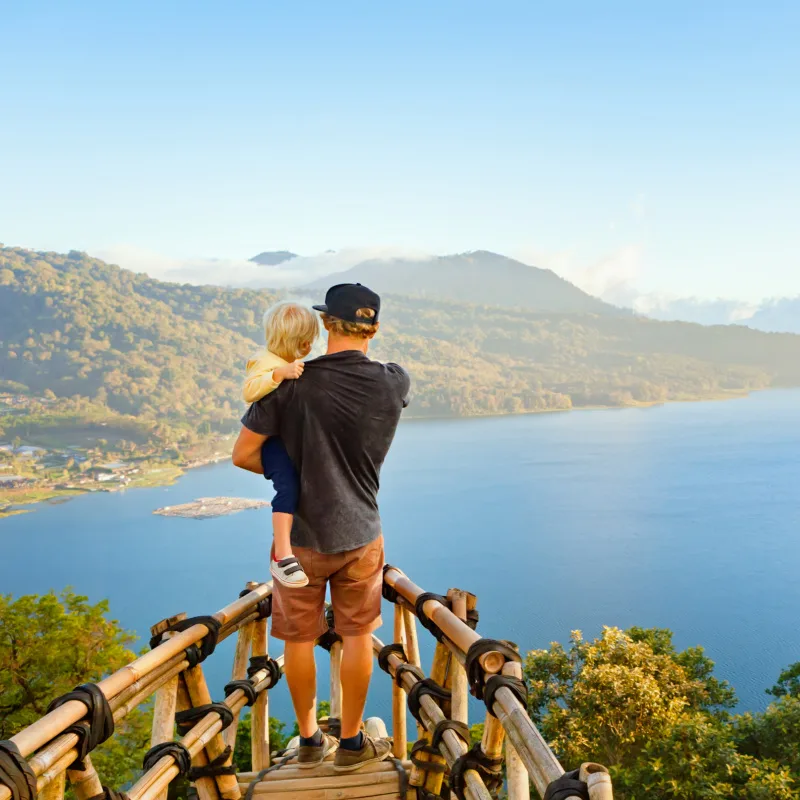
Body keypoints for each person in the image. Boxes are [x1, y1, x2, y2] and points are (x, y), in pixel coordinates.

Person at [232, 282, 409, 772]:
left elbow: (243, 454)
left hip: (300, 541)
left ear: (325, 324)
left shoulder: (287, 383)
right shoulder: (394, 381)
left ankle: (310, 739)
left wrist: (291, 476)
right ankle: (351, 744)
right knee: (357, 635)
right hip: (361, 533)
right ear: (373, 328)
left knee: (297, 639)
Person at [242, 301, 319, 588]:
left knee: (299, 484)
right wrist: (278, 375)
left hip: (288, 439)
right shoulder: (265, 361)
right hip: (273, 442)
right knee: (287, 486)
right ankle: (282, 556)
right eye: (305, 342)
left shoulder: (287, 362)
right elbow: (249, 391)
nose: (310, 347)